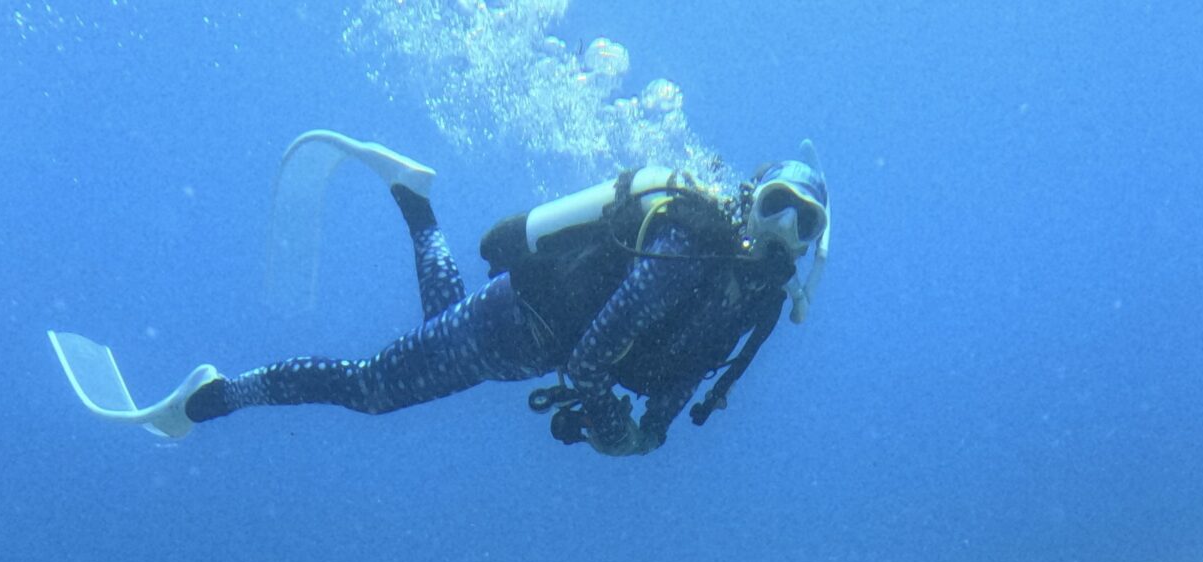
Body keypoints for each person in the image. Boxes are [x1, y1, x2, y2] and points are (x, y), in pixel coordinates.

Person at [49, 131, 831, 457]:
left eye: (803, 223)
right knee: (369, 390)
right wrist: (611, 426)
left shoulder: (753, 304)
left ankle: (413, 198)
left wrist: (637, 434)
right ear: (749, 198)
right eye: (775, 207)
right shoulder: (687, 238)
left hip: (521, 339)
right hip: (517, 327)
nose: (781, 230)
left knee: (437, 323)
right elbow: (596, 358)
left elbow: (674, 395)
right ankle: (210, 398)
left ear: (813, 246)